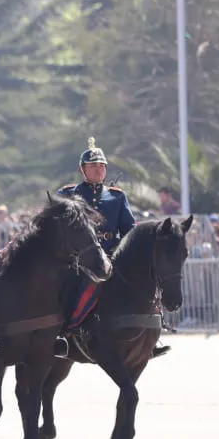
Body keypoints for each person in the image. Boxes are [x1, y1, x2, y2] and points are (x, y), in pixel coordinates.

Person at [57, 137, 168, 359]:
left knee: (142, 283)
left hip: (112, 254)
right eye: (93, 166)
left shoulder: (117, 196)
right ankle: (67, 333)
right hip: (81, 258)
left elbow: (129, 229)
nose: (98, 170)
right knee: (77, 288)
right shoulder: (69, 194)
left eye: (101, 166)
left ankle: (150, 333)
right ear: (83, 169)